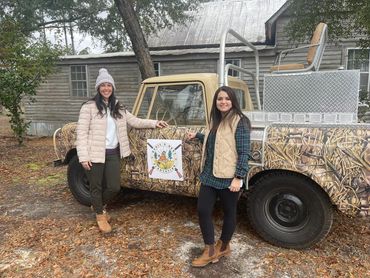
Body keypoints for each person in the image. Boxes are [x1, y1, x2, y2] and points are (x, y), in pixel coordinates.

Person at [76, 68, 168, 234]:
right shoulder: (88, 107)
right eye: (103, 85)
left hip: (112, 153)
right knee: (96, 187)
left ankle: (97, 205)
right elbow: (81, 133)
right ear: (98, 88)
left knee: (114, 187)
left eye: (109, 85)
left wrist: (154, 123)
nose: (106, 88)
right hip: (94, 153)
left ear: (112, 87)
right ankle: (100, 215)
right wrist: (83, 156)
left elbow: (135, 121)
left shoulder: (117, 106)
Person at [187, 86, 250, 267]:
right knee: (203, 210)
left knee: (229, 212)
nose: (223, 102)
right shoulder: (215, 119)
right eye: (220, 99)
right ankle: (210, 249)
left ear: (233, 101)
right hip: (210, 173)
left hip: (229, 176)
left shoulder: (240, 121)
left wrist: (239, 177)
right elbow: (217, 139)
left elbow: (245, 151)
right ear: (215, 102)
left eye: (227, 98)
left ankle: (223, 246)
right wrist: (198, 135)